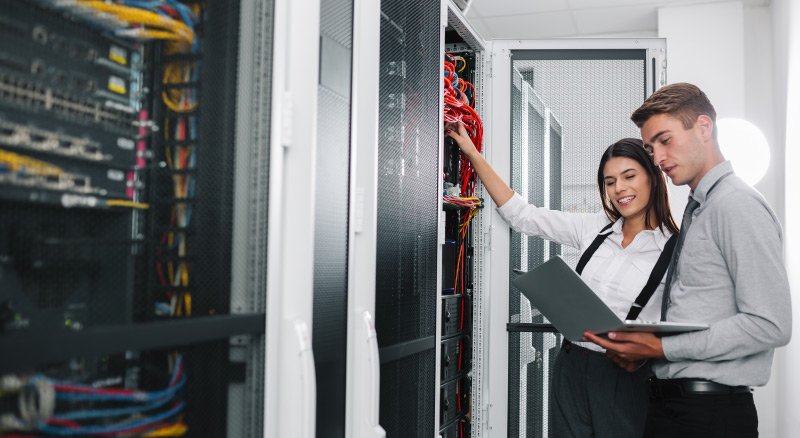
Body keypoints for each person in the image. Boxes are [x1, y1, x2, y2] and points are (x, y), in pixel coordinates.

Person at [584, 82, 792, 438]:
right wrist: (647, 352)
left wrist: (662, 346)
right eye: (651, 148)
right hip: (675, 408)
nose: (658, 158)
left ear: (704, 127)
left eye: (665, 141)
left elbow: (770, 324)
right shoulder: (699, 209)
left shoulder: (736, 205)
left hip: (708, 416)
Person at [446, 121, 679, 438]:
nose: (619, 189)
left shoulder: (676, 249)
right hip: (571, 363)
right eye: (610, 182)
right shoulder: (595, 227)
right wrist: (471, 152)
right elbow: (521, 215)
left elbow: (686, 325)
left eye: (629, 176)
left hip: (626, 377)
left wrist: (646, 353)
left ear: (653, 177)